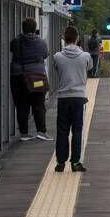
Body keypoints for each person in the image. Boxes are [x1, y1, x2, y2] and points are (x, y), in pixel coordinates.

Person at [50, 25, 93, 172]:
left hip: (63, 98)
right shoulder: (85, 56)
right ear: (77, 38)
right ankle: (75, 163)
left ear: (63, 38)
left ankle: (60, 163)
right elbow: (89, 67)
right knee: (77, 130)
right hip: (79, 98)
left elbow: (57, 68)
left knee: (62, 130)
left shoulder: (57, 57)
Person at [9, 17, 51, 142]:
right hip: (36, 76)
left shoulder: (16, 41)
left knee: (21, 105)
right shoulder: (41, 42)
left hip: (18, 76)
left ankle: (24, 133)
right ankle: (41, 132)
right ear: (34, 28)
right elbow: (45, 54)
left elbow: (12, 49)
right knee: (38, 104)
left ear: (23, 28)